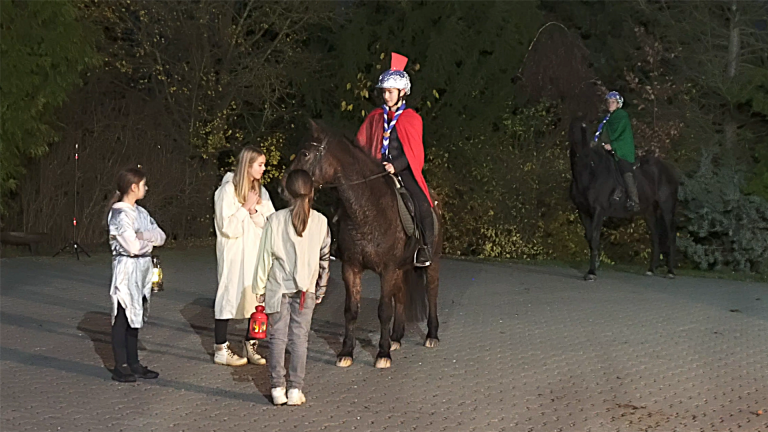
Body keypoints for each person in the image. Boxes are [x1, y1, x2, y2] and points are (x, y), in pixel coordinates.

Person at [254, 169, 331, 406]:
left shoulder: (275, 220)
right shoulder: (320, 221)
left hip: (278, 287)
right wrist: (321, 289)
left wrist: (259, 287)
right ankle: (296, 389)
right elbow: (324, 260)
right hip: (306, 288)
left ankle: (277, 387)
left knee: (277, 338)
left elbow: (264, 257)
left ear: (287, 192)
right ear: (312, 191)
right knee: (300, 339)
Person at [355, 52, 435, 267]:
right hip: (376, 167)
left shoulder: (411, 119)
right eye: (384, 92)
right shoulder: (375, 117)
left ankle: (426, 248)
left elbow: (414, 152)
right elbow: (363, 142)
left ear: (402, 92)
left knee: (421, 203)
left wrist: (396, 165)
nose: (386, 96)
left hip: (402, 168)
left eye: (390, 92)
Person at [213, 146, 275, 366]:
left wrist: (253, 211)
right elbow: (227, 226)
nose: (263, 168)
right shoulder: (227, 190)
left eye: (264, 164)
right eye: (260, 164)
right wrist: (244, 207)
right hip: (235, 255)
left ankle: (251, 344)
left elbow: (270, 223)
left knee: (256, 299)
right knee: (228, 297)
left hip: (256, 254)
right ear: (247, 165)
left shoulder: (261, 191)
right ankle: (221, 348)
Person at [107, 167, 166, 382]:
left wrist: (143, 236)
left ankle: (134, 362)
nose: (146, 188)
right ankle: (120, 364)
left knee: (136, 316)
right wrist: (146, 243)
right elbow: (131, 246)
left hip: (142, 270)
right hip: (126, 270)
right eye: (143, 185)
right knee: (123, 316)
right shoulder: (119, 214)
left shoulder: (141, 212)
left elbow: (161, 236)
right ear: (133, 187)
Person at [594, 91, 638, 210]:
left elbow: (622, 136)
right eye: (608, 102)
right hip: (606, 149)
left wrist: (612, 145)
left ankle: (634, 200)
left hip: (621, 150)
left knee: (624, 168)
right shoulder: (607, 119)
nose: (610, 104)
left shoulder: (622, 116)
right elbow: (603, 134)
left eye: (612, 102)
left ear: (618, 104)